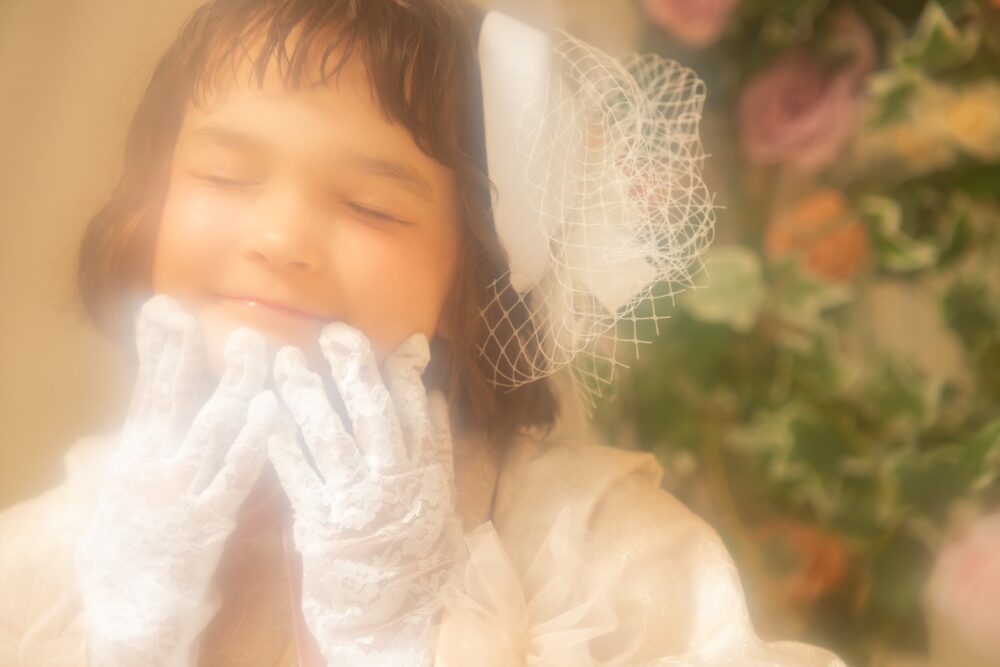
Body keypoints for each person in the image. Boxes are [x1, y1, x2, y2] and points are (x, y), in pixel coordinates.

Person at [0, 1, 846, 665]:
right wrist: (130, 636)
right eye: (224, 175)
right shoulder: (58, 545)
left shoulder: (593, 545)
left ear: (469, 276)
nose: (280, 238)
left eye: (369, 206)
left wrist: (401, 642)